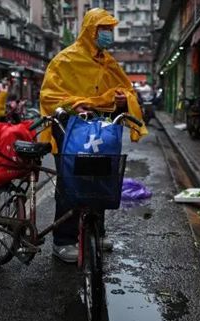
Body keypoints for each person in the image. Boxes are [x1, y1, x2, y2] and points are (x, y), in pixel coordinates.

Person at [39, 8, 148, 263]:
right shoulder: (65, 60)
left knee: (100, 178)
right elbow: (49, 96)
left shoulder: (109, 62)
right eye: (103, 29)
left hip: (101, 127)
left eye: (110, 29)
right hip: (70, 128)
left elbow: (127, 91)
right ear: (90, 31)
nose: (108, 34)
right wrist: (75, 104)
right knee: (70, 183)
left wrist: (122, 100)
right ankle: (63, 240)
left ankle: (97, 232)